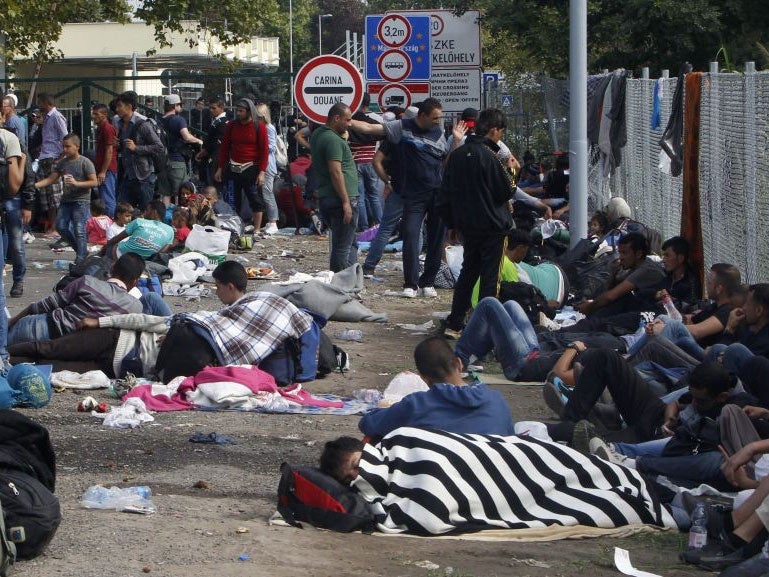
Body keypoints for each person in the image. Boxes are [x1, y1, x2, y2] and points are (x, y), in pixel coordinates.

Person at [351, 98, 465, 297]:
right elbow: (370, 129)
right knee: (411, 236)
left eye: (440, 118)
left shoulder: (439, 134)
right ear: (422, 115)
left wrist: (455, 141)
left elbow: (447, 165)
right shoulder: (401, 127)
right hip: (413, 195)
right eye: (435, 118)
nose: (438, 122)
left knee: (436, 239)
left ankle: (427, 282)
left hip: (437, 193)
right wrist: (347, 121)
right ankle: (411, 284)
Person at [441, 108, 515, 335]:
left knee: (468, 273)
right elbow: (506, 192)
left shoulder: (457, 156)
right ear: (494, 130)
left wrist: (452, 224)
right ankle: (483, 329)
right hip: (493, 227)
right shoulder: (490, 157)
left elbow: (447, 192)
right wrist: (512, 171)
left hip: (467, 226)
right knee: (490, 280)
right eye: (500, 132)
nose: (500, 137)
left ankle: (455, 323)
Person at [358, 336, 515, 441]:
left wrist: (389, 409)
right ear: (459, 364)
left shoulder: (417, 405)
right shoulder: (497, 401)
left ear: (424, 378)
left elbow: (368, 424)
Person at [8, 252, 145, 345]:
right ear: (135, 282)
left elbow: (44, 305)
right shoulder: (135, 307)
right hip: (69, 348)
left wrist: (12, 321)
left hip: (40, 328)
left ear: (113, 267)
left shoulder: (87, 282)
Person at [310, 102, 359, 272]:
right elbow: (336, 172)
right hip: (340, 199)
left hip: (328, 196)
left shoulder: (319, 134)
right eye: (347, 120)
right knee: (342, 247)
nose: (350, 124)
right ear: (336, 118)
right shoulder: (332, 140)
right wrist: (346, 202)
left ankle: (352, 281)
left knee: (349, 242)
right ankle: (340, 285)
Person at [571, 232, 665, 320]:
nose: (621, 257)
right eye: (620, 252)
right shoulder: (634, 266)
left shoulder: (646, 269)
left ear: (638, 254)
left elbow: (611, 296)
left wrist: (588, 307)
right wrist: (613, 272)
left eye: (624, 253)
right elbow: (610, 290)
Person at [34, 134, 97, 264]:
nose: (65, 149)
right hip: (66, 200)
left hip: (81, 201)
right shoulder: (63, 163)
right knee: (61, 227)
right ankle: (81, 251)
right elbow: (51, 179)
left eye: (68, 146)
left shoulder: (85, 162)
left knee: (79, 229)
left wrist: (77, 183)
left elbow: (94, 182)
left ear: (77, 147)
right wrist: (34, 186)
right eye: (64, 146)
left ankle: (80, 258)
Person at [215, 98, 268, 234]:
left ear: (249, 112)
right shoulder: (232, 126)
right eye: (237, 110)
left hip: (251, 168)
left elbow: (264, 151)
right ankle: (234, 228)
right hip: (233, 168)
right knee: (232, 200)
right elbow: (225, 148)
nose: (238, 113)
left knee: (255, 199)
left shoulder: (259, 127)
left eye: (241, 111)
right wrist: (220, 168)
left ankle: (256, 229)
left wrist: (262, 172)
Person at [0, 127, 27, 366]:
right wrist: (20, 162)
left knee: (16, 243)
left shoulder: (8, 138)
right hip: (5, 205)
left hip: (8, 208)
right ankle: (0, 356)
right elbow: (15, 184)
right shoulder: (8, 139)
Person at [114, 91, 165, 211]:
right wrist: (119, 145)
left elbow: (159, 146)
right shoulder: (120, 124)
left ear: (129, 107)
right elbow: (125, 147)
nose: (117, 109)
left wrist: (136, 148)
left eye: (120, 106)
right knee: (122, 210)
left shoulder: (142, 124)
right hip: (128, 175)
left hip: (144, 176)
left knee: (145, 211)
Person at [158, 94, 203, 205]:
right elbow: (186, 137)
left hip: (162, 162)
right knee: (181, 192)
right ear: (175, 106)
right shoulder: (179, 120)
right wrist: (199, 141)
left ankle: (165, 218)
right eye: (180, 104)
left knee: (165, 194)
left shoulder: (159, 121)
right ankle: (180, 217)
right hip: (177, 161)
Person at [36, 93, 68, 235]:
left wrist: (61, 158)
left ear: (46, 102)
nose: (38, 106)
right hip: (45, 158)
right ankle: (52, 226)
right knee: (46, 196)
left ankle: (56, 227)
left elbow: (65, 138)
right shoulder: (47, 118)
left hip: (53, 158)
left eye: (40, 103)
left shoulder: (56, 117)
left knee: (55, 195)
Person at [348, 93, 382, 231]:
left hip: (356, 162)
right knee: (374, 195)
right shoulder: (372, 123)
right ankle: (380, 225)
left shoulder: (350, 123)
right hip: (371, 161)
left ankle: (363, 226)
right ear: (367, 104)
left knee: (360, 197)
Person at [102, 200, 174, 260]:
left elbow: (116, 239)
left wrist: (104, 249)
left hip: (120, 255)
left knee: (110, 247)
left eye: (147, 210)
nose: (144, 213)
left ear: (154, 212)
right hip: (141, 262)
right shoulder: (170, 231)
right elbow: (161, 252)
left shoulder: (139, 221)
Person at [255, 103, 279, 236]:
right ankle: (270, 221)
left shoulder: (269, 128)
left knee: (268, 193)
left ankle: (273, 221)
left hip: (268, 165)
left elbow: (271, 147)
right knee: (263, 194)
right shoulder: (261, 127)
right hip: (263, 164)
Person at [91, 103, 119, 217]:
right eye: (93, 113)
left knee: (107, 198)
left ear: (104, 115)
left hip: (107, 169)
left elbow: (109, 151)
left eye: (96, 114)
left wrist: (103, 171)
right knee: (104, 197)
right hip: (103, 168)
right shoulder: (100, 129)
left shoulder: (107, 128)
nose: (93, 116)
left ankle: (111, 222)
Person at [195, 97, 228, 188]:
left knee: (213, 185)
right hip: (211, 155)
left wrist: (205, 151)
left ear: (221, 107)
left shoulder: (223, 122)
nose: (211, 110)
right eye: (210, 108)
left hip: (216, 157)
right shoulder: (215, 120)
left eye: (214, 108)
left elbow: (217, 142)